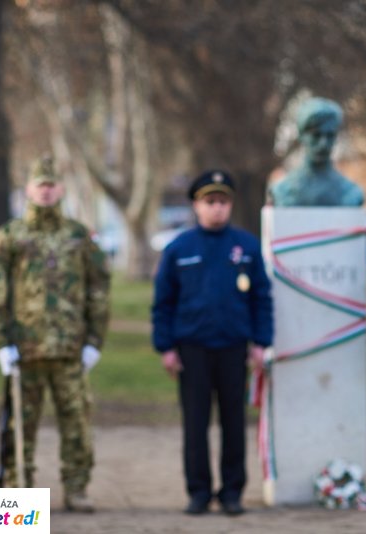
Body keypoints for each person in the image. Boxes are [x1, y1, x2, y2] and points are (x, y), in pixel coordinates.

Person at [0, 155, 110, 513]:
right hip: (26, 349)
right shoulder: (11, 236)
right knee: (20, 426)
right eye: (41, 185)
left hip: (70, 349)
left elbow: (99, 288)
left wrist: (94, 341)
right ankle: (18, 492)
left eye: (52, 185)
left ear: (61, 189)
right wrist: (1, 342)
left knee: (77, 424)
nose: (47, 192)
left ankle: (77, 487)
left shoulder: (77, 236)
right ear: (29, 190)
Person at [151, 170, 273, 516]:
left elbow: (261, 298)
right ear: (196, 205)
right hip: (192, 349)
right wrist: (167, 347)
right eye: (209, 202)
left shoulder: (246, 247)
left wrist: (260, 342)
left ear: (230, 205)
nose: (216, 208)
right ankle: (199, 492)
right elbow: (163, 303)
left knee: (234, 422)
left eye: (222, 202)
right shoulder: (179, 249)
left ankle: (232, 492)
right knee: (196, 424)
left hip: (235, 347)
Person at [268, 97, 364, 206]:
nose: (323, 144)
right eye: (316, 135)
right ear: (301, 136)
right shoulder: (283, 191)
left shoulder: (350, 193)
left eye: (330, 135)